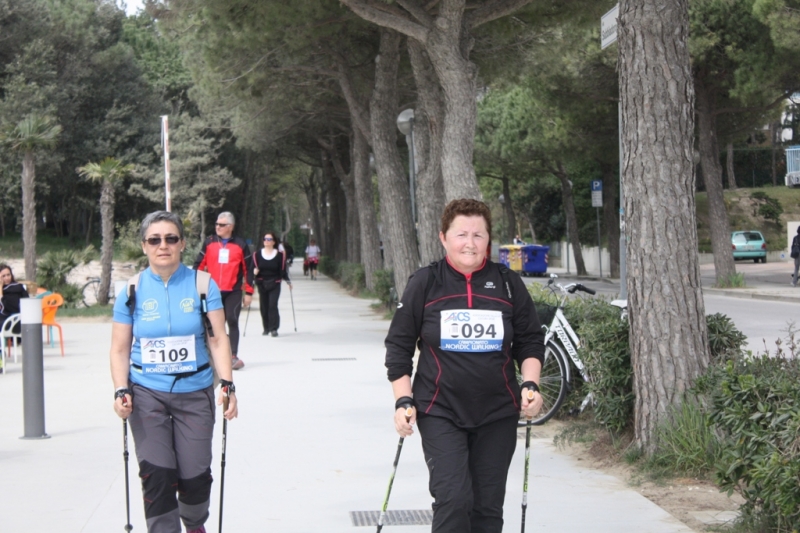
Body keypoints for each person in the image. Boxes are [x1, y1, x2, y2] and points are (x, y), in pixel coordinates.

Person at [384, 198, 545, 533]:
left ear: (489, 240)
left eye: (478, 235)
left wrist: (531, 384)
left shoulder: (507, 284)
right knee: (454, 500)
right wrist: (403, 400)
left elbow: (529, 339)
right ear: (443, 237)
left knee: (487, 508)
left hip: (497, 412)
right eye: (461, 235)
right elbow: (398, 346)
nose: (470, 243)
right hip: (440, 409)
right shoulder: (425, 283)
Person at [110, 211, 238, 533]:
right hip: (147, 393)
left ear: (182, 243)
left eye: (170, 238)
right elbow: (120, 348)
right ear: (144, 246)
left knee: (195, 476)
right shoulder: (131, 290)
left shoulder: (202, 284)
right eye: (154, 239)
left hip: (194, 392)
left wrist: (227, 384)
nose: (162, 245)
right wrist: (120, 389)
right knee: (157, 473)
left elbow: (219, 338)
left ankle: (195, 525)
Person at [194, 212, 254, 370]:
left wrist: (248, 292)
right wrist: (194, 286)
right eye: (216, 224)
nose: (217, 227)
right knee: (211, 324)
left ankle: (233, 356)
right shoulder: (209, 243)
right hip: (211, 291)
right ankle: (209, 355)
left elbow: (248, 269)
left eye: (221, 225)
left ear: (231, 227)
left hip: (233, 290)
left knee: (232, 320)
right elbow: (199, 265)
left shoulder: (240, 244)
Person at [253, 231, 292, 336]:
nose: (267, 241)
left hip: (275, 282)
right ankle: (266, 327)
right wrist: (254, 272)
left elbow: (282, 270)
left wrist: (288, 281)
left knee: (272, 305)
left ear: (274, 242)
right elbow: (253, 268)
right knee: (264, 306)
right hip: (261, 283)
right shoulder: (257, 255)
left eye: (269, 239)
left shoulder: (280, 255)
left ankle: (273, 328)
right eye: (265, 239)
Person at [0, 264, 29, 333]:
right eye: (3, 276)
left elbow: (7, 306)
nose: (7, 278)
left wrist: (0, 287)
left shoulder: (16, 288)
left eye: (8, 275)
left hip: (14, 320)